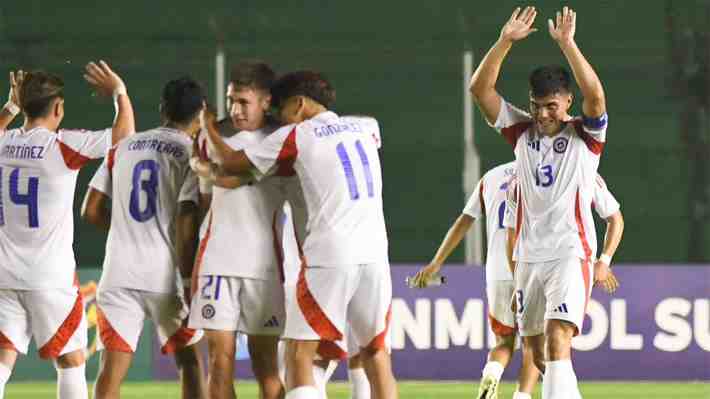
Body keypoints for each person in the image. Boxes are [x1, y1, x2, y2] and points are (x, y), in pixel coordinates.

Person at [196, 71, 397, 399]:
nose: (279, 118)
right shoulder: (366, 127)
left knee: (299, 354)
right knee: (376, 354)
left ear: (300, 103)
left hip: (330, 254)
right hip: (375, 255)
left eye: (282, 109)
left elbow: (231, 162)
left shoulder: (297, 136)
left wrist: (206, 128)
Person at [469, 6, 608, 399]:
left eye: (552, 106)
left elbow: (596, 96)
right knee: (536, 353)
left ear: (566, 102)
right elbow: (480, 90)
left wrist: (568, 45)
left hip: (569, 251)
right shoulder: (521, 133)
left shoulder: (587, 137)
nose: (543, 114)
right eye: (536, 105)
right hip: (528, 257)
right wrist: (504, 42)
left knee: (557, 338)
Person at [0, 61, 134, 399]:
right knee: (71, 360)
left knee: (3, 358)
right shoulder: (62, 146)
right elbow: (124, 136)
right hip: (49, 277)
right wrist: (119, 92)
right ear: (58, 108)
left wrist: (9, 108)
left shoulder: (4, 143)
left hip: (3, 275)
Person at [82, 76, 207, 399]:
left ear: (162, 108)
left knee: (110, 371)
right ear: (201, 112)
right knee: (190, 363)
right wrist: (189, 276)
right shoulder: (193, 154)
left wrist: (126, 227)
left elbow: (91, 211)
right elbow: (187, 219)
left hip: (119, 273)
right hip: (168, 277)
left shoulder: (122, 147)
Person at [188, 61, 287, 399]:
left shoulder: (281, 137)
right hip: (216, 262)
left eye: (244, 101)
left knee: (266, 365)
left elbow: (232, 174)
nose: (235, 109)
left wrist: (207, 154)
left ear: (266, 101)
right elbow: (204, 203)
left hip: (264, 267)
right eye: (231, 100)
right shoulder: (209, 135)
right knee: (219, 362)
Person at [412, 161, 538, 399]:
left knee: (503, 341)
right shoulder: (544, 172)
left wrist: (436, 263)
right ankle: (522, 396)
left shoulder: (491, 177)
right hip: (530, 267)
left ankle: (491, 375)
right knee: (533, 342)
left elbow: (464, 220)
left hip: (497, 271)